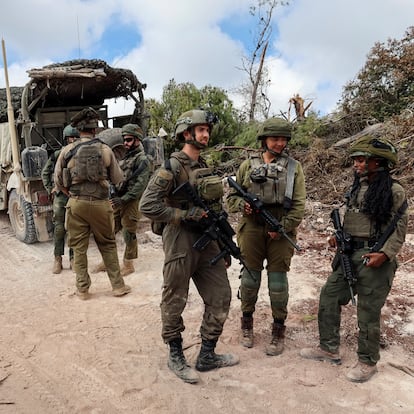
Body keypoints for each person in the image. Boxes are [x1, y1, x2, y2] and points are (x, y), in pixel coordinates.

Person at [139, 109, 239, 384]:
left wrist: (223, 244)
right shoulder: (171, 168)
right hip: (181, 240)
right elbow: (147, 205)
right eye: (201, 130)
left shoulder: (202, 165)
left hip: (207, 241)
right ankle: (175, 355)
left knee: (221, 296)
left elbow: (215, 208)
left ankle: (206, 355)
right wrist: (182, 215)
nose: (206, 134)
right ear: (187, 134)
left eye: (207, 129)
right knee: (175, 299)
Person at [300, 135, 408, 383]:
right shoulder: (356, 188)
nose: (355, 165)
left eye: (361, 160)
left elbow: (400, 227)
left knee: (368, 311)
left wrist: (385, 254)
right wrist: (339, 238)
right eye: (355, 160)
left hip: (375, 257)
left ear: (378, 162)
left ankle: (367, 362)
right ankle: (328, 348)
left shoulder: (394, 190)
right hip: (349, 254)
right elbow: (354, 218)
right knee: (329, 295)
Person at [227, 117, 306, 355]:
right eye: (275, 139)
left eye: (283, 139)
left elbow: (299, 205)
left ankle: (278, 329)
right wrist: (243, 205)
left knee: (278, 283)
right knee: (250, 279)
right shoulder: (247, 165)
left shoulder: (294, 168)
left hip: (280, 229)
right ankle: (247, 323)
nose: (280, 143)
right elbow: (231, 198)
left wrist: (282, 226)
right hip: (251, 227)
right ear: (264, 140)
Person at [54, 107, 131, 300]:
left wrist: (71, 194)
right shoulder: (105, 149)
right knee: (107, 244)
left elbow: (58, 182)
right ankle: (118, 286)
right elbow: (117, 178)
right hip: (100, 205)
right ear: (95, 129)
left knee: (78, 247)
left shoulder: (67, 151)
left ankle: (82, 290)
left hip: (76, 204)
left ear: (78, 130)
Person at [93, 123, 152, 276]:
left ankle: (128, 264)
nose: (125, 143)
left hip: (130, 201)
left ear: (138, 140)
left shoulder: (143, 160)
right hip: (118, 199)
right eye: (124, 140)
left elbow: (140, 186)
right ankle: (107, 261)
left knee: (129, 232)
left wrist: (124, 199)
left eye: (129, 140)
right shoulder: (127, 156)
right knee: (110, 230)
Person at [42, 125, 79, 274]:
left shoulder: (81, 154)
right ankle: (57, 259)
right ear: (66, 139)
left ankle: (73, 259)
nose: (74, 140)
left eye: (76, 137)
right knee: (59, 229)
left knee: (74, 229)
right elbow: (46, 172)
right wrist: (50, 187)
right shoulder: (58, 154)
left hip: (75, 195)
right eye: (72, 137)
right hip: (60, 196)